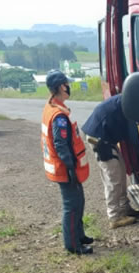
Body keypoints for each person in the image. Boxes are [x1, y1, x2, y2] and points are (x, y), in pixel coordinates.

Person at [41, 70, 93, 255]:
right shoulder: (59, 116)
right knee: (71, 205)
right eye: (66, 84)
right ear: (61, 86)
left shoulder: (54, 107)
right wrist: (70, 167)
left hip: (65, 167)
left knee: (79, 201)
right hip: (64, 168)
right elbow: (60, 144)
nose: (68, 87)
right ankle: (73, 245)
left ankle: (79, 235)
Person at [81, 94, 139, 229]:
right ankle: (114, 217)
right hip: (99, 140)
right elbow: (133, 136)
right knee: (113, 177)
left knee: (121, 170)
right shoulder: (130, 105)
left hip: (105, 137)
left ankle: (124, 208)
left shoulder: (128, 99)